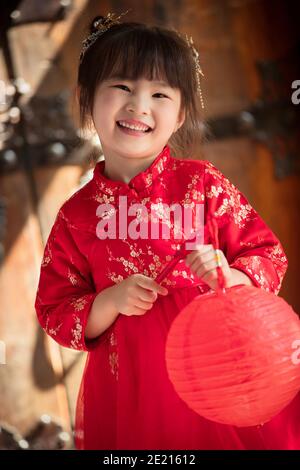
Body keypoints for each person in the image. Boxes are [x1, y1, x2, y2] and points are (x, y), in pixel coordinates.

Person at [35, 11, 300, 450]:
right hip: (134, 386)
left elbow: (266, 252)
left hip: (221, 368)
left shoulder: (202, 183)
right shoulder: (76, 216)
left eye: (159, 94)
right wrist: (110, 300)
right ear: (85, 98)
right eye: (121, 86)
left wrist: (227, 274)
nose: (138, 105)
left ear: (178, 117)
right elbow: (56, 310)